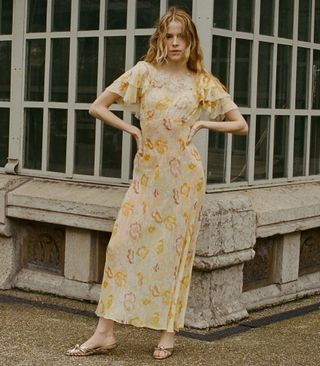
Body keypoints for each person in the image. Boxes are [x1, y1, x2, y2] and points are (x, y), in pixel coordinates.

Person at [66, 6, 248, 361]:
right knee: (120, 246)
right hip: (146, 177)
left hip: (185, 180)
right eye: (170, 35)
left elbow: (240, 124)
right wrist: (131, 128)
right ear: (161, 38)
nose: (176, 42)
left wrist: (204, 125)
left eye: (182, 36)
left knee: (176, 255)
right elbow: (98, 106)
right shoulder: (143, 73)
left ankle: (168, 331)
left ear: (191, 40)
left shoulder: (203, 82)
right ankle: (104, 332)